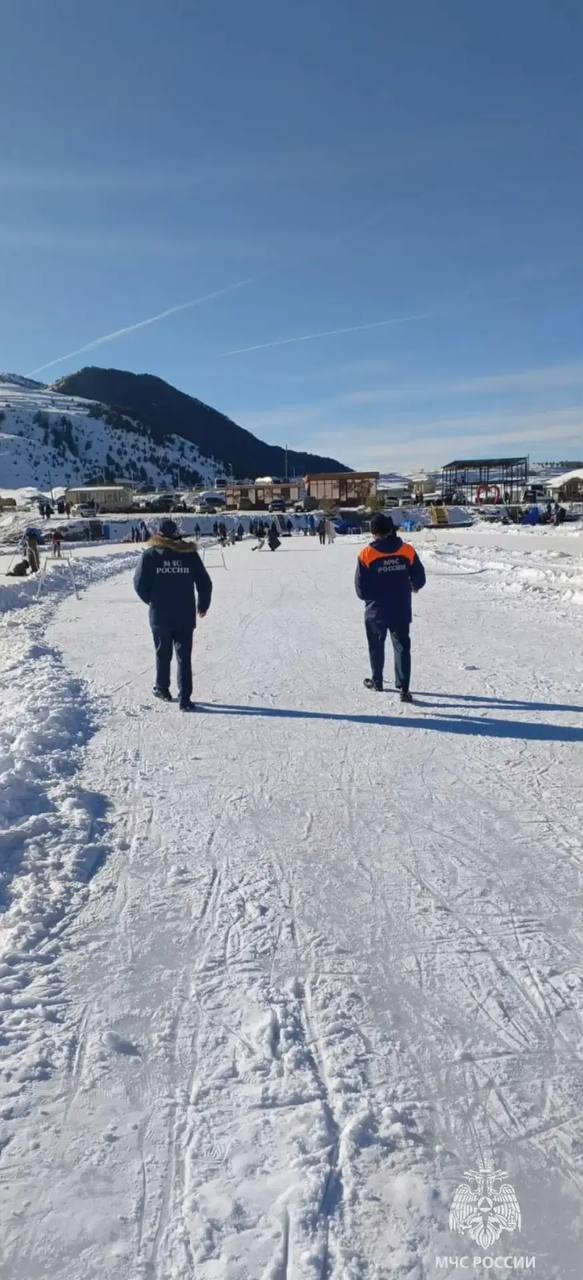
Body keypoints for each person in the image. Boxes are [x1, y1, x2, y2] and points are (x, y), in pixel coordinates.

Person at [133, 518, 212, 711]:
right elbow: (204, 583)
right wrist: (203, 605)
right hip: (184, 614)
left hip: (160, 615)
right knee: (184, 657)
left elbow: (139, 584)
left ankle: (162, 688)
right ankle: (185, 698)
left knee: (163, 654)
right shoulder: (189, 554)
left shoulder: (150, 555)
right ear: (177, 534)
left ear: (158, 534)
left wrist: (152, 601)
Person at [355, 512, 425, 702]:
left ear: (374, 532)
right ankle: (404, 688)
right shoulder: (406, 550)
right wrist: (414, 586)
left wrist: (374, 597)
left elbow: (361, 590)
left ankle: (377, 681)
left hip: (376, 611)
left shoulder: (367, 554)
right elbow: (419, 577)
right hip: (400, 608)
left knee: (376, 646)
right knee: (402, 646)